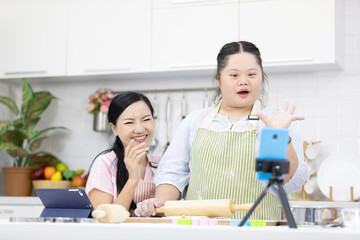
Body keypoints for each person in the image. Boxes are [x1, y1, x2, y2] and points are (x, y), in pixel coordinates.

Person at [135, 41, 309, 220]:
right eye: (234, 75)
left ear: (261, 77)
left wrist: (280, 135)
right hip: (201, 230)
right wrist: (159, 203)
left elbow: (288, 181)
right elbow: (172, 174)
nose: (244, 81)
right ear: (218, 79)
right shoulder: (196, 121)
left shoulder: (275, 121)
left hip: (257, 229)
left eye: (252, 74)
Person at [86, 91, 160, 216]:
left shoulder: (161, 163)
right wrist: (133, 180)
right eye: (129, 122)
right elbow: (104, 218)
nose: (140, 129)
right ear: (114, 128)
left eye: (146, 119)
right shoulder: (104, 164)